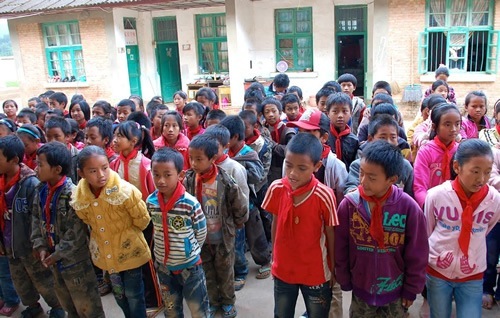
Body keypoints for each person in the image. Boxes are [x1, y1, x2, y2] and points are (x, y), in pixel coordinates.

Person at [336, 140, 429, 317]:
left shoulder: (408, 208)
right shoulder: (349, 206)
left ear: (392, 179)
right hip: (361, 288)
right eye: (362, 173)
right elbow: (341, 247)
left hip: (396, 291)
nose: (363, 181)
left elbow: (418, 252)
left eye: (372, 177)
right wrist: (344, 278)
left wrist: (412, 288)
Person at [71, 146, 151, 318]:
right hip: (107, 255)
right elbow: (86, 218)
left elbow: (143, 219)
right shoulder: (80, 196)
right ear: (81, 173)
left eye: (104, 168)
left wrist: (126, 234)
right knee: (119, 294)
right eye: (93, 171)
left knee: (134, 293)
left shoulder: (125, 191)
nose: (101, 175)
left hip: (131, 253)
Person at [262, 133, 337, 317]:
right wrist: (274, 259)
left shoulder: (324, 195)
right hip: (283, 270)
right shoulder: (276, 188)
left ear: (316, 166)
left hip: (316, 273)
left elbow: (330, 234)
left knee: (318, 314)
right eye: (288, 165)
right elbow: (275, 225)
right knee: (281, 313)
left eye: (302, 168)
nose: (293, 173)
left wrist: (333, 268)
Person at [425, 139, 500, 318]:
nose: (481, 179)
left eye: (487, 172)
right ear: (457, 167)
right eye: (475, 171)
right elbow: (428, 229)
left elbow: (486, 229)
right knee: (439, 314)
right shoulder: (436, 196)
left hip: (472, 274)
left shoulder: (494, 200)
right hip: (438, 271)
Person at [31, 142, 105, 318]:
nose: (36, 169)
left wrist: (56, 254)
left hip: (75, 263)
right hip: (54, 262)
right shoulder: (41, 190)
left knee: (88, 307)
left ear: (57, 169)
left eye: (40, 165)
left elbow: (76, 234)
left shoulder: (73, 194)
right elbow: (35, 218)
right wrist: (40, 245)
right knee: (68, 306)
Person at [286, 111, 346, 318]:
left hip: (329, 233)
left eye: (308, 132)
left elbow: (341, 203)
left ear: (323, 137)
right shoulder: (294, 165)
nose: (301, 136)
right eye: (299, 131)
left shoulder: (335, 166)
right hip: (306, 236)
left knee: (331, 284)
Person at [184, 135, 249, 318]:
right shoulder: (189, 180)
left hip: (223, 236)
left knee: (225, 272)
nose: (194, 163)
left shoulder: (226, 181)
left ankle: (228, 302)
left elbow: (239, 205)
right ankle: (213, 302)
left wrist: (237, 224)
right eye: (191, 158)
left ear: (212, 159)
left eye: (199, 159)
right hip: (200, 238)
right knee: (207, 273)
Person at [0, 136, 64, 318]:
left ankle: (57, 306)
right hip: (9, 245)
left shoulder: (30, 184)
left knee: (43, 279)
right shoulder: (1, 182)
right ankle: (33, 306)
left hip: (29, 245)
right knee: (20, 281)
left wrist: (39, 243)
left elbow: (38, 217)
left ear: (14, 160)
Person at [147, 148, 209, 317]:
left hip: (190, 268)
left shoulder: (190, 204)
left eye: (167, 175)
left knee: (199, 310)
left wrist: (190, 251)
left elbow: (201, 232)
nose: (161, 180)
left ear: (180, 175)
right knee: (171, 310)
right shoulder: (151, 202)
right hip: (164, 267)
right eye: (156, 174)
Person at [110, 121, 161, 309]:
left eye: (120, 136)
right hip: (123, 221)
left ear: (133, 141)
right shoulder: (114, 165)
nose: (115, 140)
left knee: (146, 261)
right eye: (114, 135)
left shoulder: (146, 165)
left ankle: (155, 299)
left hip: (145, 220)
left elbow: (154, 196)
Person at [219, 116, 271, 284]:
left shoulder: (249, 153)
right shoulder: (225, 153)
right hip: (231, 204)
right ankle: (239, 269)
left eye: (226, 137)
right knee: (237, 239)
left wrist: (238, 171)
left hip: (249, 200)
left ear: (234, 137)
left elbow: (258, 176)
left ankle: (265, 261)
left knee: (256, 235)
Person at [346, 115, 414, 197]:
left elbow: (410, 196)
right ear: (371, 139)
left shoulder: (405, 167)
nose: (388, 142)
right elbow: (350, 189)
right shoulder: (359, 165)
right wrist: (354, 194)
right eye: (382, 137)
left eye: (393, 137)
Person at [413, 104, 461, 208]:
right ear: (435, 126)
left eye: (457, 124)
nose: (453, 129)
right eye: (447, 125)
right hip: (430, 205)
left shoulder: (461, 151)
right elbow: (420, 186)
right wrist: (429, 206)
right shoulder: (426, 151)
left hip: (455, 207)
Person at [261, 97, 296, 184]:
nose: (270, 114)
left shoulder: (287, 130)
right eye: (267, 112)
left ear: (280, 112)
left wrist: (273, 145)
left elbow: (291, 150)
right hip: (267, 170)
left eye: (274, 111)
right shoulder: (262, 129)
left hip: (283, 168)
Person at [483, 147, 500, 309]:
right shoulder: (495, 153)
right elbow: (492, 179)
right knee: (490, 255)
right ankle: (486, 289)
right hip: (496, 217)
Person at [326, 92, 359, 170]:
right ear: (328, 113)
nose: (340, 115)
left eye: (344, 111)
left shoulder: (354, 141)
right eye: (335, 111)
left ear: (350, 113)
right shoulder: (324, 137)